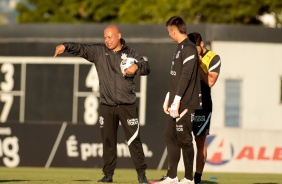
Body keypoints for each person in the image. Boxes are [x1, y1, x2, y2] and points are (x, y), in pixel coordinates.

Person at [54, 25, 150, 184]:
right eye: (105, 37)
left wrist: (137, 66)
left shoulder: (131, 53)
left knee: (134, 140)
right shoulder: (99, 52)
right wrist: (66, 46)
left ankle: (141, 174)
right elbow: (81, 48)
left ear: (119, 36)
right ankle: (108, 175)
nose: (107, 40)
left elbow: (146, 67)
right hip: (107, 105)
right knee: (108, 141)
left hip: (127, 105)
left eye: (110, 37)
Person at [156, 16, 202, 184]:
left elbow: (186, 76)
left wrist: (177, 100)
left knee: (185, 139)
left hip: (186, 102)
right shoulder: (179, 48)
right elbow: (176, 77)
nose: (169, 35)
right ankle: (172, 176)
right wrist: (169, 96)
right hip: (176, 100)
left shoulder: (189, 48)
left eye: (169, 32)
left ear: (174, 30)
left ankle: (189, 178)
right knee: (170, 135)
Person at [188, 32, 221, 184]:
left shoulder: (213, 58)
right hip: (186, 103)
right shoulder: (186, 55)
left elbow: (210, 81)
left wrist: (197, 63)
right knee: (177, 138)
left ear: (201, 45)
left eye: (194, 48)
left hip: (203, 104)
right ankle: (172, 175)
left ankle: (197, 178)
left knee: (200, 141)